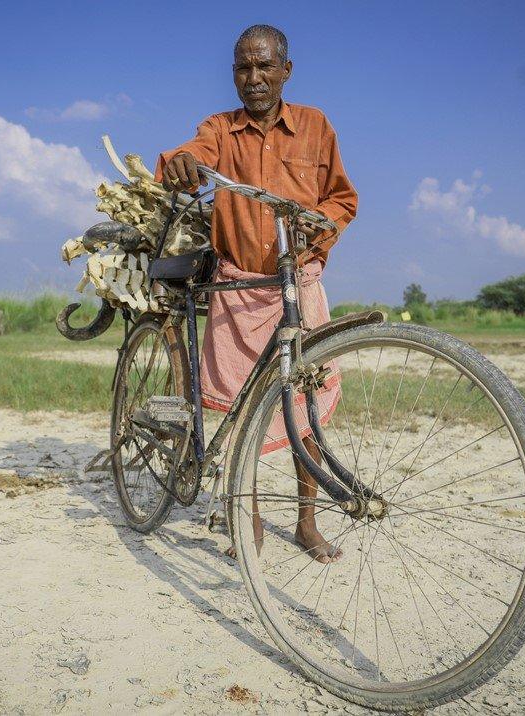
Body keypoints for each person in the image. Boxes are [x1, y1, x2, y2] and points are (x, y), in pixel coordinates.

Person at [155, 24, 358, 563]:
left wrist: (322, 228)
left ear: (286, 71)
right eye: (244, 68)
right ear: (233, 75)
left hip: (299, 284)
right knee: (240, 410)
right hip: (239, 287)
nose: (254, 78)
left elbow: (342, 198)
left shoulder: (315, 126)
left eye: (265, 67)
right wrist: (181, 163)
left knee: (304, 406)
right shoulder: (220, 129)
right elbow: (193, 153)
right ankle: (250, 518)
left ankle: (308, 521)